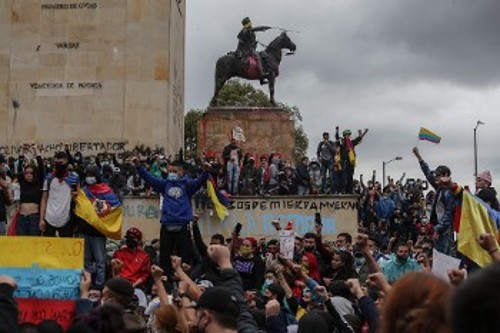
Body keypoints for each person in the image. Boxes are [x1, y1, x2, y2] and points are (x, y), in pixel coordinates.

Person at [133, 157, 210, 275]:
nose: (171, 174)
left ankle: (185, 281)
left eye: (174, 171)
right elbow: (150, 179)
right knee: (164, 257)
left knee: (185, 257)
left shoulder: (187, 185)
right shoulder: (164, 185)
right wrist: (138, 166)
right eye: (170, 171)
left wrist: (205, 171)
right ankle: (166, 281)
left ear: (181, 172)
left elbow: (199, 182)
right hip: (166, 224)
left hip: (183, 225)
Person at [76, 165, 120, 287]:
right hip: (83, 229)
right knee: (85, 260)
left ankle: (100, 284)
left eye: (92, 175)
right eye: (88, 175)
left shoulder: (106, 191)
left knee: (100, 259)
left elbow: (115, 207)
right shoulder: (83, 192)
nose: (90, 178)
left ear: (97, 176)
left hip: (98, 231)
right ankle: (87, 283)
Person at [412, 147, 456, 255]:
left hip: (444, 232)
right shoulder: (440, 188)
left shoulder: (449, 192)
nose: (435, 177)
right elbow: (428, 173)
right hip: (440, 230)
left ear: (446, 176)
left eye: (438, 175)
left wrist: (438, 230)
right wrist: (418, 156)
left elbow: (449, 214)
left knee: (443, 260)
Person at [39, 151, 80, 237]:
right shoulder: (49, 177)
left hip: (66, 220)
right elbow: (44, 199)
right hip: (49, 219)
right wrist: (41, 219)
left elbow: (79, 198)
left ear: (66, 162)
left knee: (66, 249)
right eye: (56, 163)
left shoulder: (74, 178)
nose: (58, 165)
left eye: (61, 163)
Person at [16, 149, 45, 236]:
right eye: (26, 173)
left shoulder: (38, 183)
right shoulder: (22, 182)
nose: (28, 175)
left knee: (34, 244)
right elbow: (19, 168)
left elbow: (41, 168)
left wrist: (36, 151)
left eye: (31, 173)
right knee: (22, 245)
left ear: (34, 174)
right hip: (22, 218)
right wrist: (22, 152)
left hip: (34, 219)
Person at [236, 17, 271, 85]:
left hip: (249, 48)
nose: (251, 24)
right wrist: (262, 28)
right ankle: (262, 77)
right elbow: (253, 30)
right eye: (249, 23)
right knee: (258, 58)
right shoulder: (245, 30)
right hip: (247, 50)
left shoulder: (248, 30)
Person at [337, 127, 368, 194]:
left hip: (351, 162)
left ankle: (349, 190)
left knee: (350, 177)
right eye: (347, 135)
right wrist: (337, 131)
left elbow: (358, 139)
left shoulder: (351, 143)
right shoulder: (342, 143)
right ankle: (343, 190)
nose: (348, 137)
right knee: (343, 176)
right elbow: (337, 138)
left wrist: (364, 133)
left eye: (349, 135)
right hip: (344, 162)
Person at [0, 155, 12, 235]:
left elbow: (9, 201)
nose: (3, 166)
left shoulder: (4, 178)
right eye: (2, 164)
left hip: (1, 218)